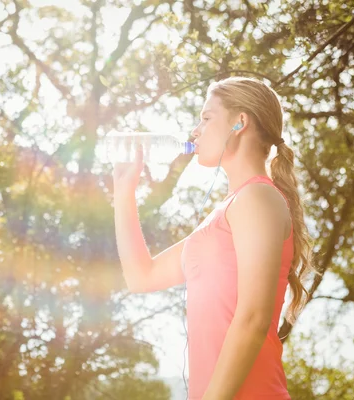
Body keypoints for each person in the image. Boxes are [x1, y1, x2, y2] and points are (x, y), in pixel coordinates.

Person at [112, 76, 316, 399]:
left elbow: (253, 318)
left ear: (239, 123)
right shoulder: (226, 213)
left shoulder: (258, 199)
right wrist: (123, 192)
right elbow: (141, 276)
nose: (196, 130)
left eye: (206, 118)